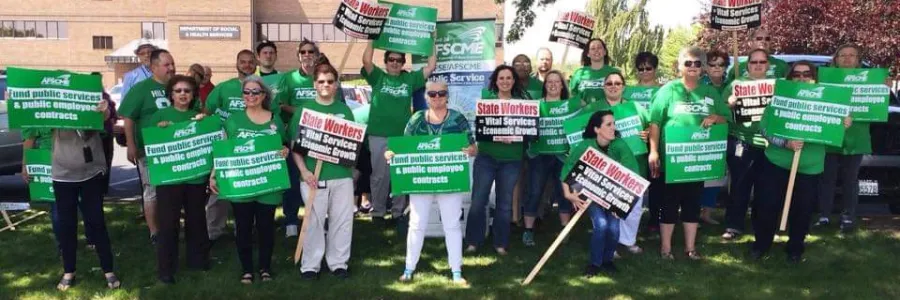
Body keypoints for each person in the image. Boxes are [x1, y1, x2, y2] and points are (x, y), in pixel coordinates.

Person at [752, 61, 845, 262]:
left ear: (814, 78)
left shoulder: (828, 103)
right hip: (776, 162)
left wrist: (843, 124)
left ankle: (795, 248)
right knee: (766, 205)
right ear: (790, 78)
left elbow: (832, 131)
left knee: (803, 209)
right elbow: (765, 128)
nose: (802, 78)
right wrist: (785, 143)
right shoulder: (779, 99)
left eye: (807, 74)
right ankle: (761, 245)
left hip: (809, 167)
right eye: (796, 74)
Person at [384, 80, 475, 284]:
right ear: (426, 96)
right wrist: (391, 153)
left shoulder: (458, 119)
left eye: (441, 93)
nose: (437, 97)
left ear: (447, 95)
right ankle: (409, 268)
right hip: (421, 180)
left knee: (452, 224)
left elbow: (473, 147)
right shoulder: (416, 119)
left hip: (449, 179)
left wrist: (470, 151)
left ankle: (456, 270)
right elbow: (404, 146)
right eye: (432, 94)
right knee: (416, 223)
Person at [648, 46, 729, 260]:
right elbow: (654, 122)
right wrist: (653, 151)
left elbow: (726, 117)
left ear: (703, 67)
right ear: (680, 66)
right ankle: (665, 248)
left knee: (693, 204)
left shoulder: (710, 92)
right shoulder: (668, 90)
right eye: (688, 63)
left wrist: (715, 118)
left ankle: (690, 248)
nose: (692, 67)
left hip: (697, 160)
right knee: (669, 204)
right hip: (672, 159)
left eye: (697, 63)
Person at [209, 76, 287, 284]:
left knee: (265, 227)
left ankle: (265, 268)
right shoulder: (232, 121)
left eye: (255, 92)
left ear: (263, 95)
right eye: (246, 92)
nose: (250, 96)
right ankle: (246, 270)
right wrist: (214, 174)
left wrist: (284, 151)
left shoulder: (274, 119)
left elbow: (283, 146)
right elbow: (223, 150)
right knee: (242, 226)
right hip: (241, 182)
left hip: (268, 183)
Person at [290, 64, 356, 280]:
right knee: (313, 223)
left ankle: (338, 263)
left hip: (341, 177)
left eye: (329, 81)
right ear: (314, 85)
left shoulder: (344, 111)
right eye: (321, 81)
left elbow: (351, 146)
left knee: (342, 221)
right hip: (312, 177)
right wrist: (304, 171)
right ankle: (310, 265)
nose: (326, 85)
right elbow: (295, 147)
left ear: (336, 84)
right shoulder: (304, 110)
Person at [361, 40, 437, 227]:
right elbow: (366, 61)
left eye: (398, 60)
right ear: (385, 62)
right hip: (378, 134)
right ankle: (378, 211)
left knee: (400, 175)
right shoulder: (378, 76)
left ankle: (397, 212)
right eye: (391, 59)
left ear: (403, 63)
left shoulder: (410, 79)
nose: (394, 63)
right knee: (379, 175)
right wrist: (372, 38)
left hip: (402, 136)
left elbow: (431, 65)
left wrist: (431, 40)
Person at [51, 98, 120, 291]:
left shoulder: (93, 99)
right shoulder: (52, 104)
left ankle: (108, 269)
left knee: (96, 221)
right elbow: (31, 119)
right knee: (66, 225)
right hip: (63, 174)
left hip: (91, 173)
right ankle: (69, 271)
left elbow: (107, 125)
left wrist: (104, 112)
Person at [561, 110, 639, 276]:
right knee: (601, 225)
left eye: (614, 124)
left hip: (615, 196)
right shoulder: (585, 146)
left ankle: (608, 261)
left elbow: (633, 174)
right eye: (608, 124)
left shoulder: (620, 145)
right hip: (591, 194)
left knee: (613, 228)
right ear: (597, 129)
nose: (613, 128)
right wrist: (568, 194)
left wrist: (623, 204)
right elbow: (567, 168)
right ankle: (595, 263)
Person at [150, 75, 212, 284]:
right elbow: (146, 140)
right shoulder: (161, 115)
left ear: (194, 94)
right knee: (168, 223)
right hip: (169, 179)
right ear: (171, 94)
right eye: (178, 91)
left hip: (195, 177)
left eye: (187, 90)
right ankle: (166, 269)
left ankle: (198, 261)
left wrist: (206, 126)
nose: (183, 94)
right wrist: (159, 130)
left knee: (196, 219)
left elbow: (212, 143)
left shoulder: (199, 117)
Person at [465, 65, 530, 255]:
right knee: (478, 200)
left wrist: (519, 136)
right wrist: (494, 136)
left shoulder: (522, 104)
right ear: (495, 81)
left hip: (511, 160)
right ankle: (473, 241)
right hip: (487, 157)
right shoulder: (486, 100)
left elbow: (530, 131)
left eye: (509, 78)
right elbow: (480, 129)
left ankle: (501, 243)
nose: (505, 81)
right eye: (501, 78)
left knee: (505, 203)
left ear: (514, 81)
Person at [203, 50, 264, 240]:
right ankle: (213, 232)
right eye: (243, 62)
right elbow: (207, 110)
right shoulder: (224, 88)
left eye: (250, 62)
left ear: (256, 64)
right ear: (236, 63)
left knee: (248, 188)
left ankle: (244, 230)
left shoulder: (262, 88)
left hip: (251, 146)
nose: (246, 65)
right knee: (218, 190)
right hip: (226, 146)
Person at [118, 49, 176, 244]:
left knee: (172, 191)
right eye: (167, 65)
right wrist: (131, 145)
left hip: (176, 150)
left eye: (172, 64)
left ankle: (171, 226)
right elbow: (129, 118)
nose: (171, 68)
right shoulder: (141, 89)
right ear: (153, 67)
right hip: (149, 150)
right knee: (152, 190)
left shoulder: (177, 87)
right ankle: (155, 232)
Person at [815, 44, 871, 232]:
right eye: (843, 55)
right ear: (836, 59)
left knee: (850, 179)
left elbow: (876, 104)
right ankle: (823, 215)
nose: (847, 59)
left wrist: (884, 85)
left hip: (856, 137)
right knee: (827, 178)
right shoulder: (825, 78)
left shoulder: (870, 80)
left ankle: (848, 217)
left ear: (858, 60)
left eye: (852, 55)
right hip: (830, 135)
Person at [720, 49, 774, 240]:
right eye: (754, 62)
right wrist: (730, 104)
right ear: (747, 65)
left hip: (770, 145)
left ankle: (762, 226)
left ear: (767, 64)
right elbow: (721, 111)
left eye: (762, 62)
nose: (758, 65)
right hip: (741, 141)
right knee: (739, 186)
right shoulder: (736, 85)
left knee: (766, 188)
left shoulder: (777, 86)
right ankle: (734, 225)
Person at [522, 70, 580, 247]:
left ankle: (565, 230)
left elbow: (580, 128)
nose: (553, 85)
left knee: (564, 194)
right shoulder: (535, 105)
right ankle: (528, 231)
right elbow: (526, 130)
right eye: (549, 82)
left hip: (563, 156)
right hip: (539, 155)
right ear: (544, 85)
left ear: (562, 85)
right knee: (534, 193)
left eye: (557, 82)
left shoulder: (572, 106)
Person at [698, 49, 731, 225]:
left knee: (718, 174)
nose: (717, 68)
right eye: (712, 64)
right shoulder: (699, 84)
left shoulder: (732, 84)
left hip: (727, 134)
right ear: (706, 67)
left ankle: (707, 212)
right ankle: (695, 210)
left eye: (721, 64)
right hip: (702, 135)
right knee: (699, 174)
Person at [570, 38, 618, 105]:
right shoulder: (579, 73)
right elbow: (571, 95)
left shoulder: (615, 73)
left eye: (599, 47)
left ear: (605, 52)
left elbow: (621, 95)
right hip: (584, 114)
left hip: (609, 113)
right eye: (593, 48)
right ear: (588, 54)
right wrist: (578, 101)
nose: (596, 50)